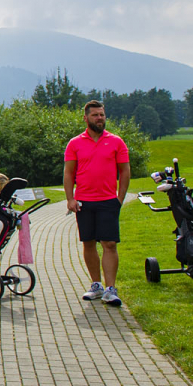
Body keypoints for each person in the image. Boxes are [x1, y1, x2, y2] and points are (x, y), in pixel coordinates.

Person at [63, 100, 130, 306]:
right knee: (89, 243)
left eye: (102, 115)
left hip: (108, 201)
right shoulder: (75, 143)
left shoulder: (116, 142)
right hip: (84, 202)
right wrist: (70, 199)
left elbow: (125, 171)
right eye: (95, 115)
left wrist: (119, 199)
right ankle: (96, 285)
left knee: (109, 243)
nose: (100, 118)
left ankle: (111, 289)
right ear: (86, 118)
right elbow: (68, 172)